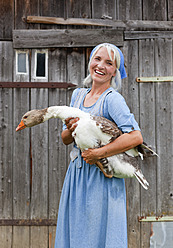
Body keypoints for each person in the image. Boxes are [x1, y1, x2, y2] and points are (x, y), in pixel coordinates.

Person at [54, 43, 143, 248]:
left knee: (98, 235)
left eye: (109, 63)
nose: (101, 65)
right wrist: (70, 128)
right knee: (75, 233)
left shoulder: (112, 100)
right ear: (90, 62)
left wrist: (98, 153)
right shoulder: (77, 96)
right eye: (97, 59)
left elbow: (135, 137)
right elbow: (65, 139)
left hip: (102, 176)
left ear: (115, 71)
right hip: (77, 174)